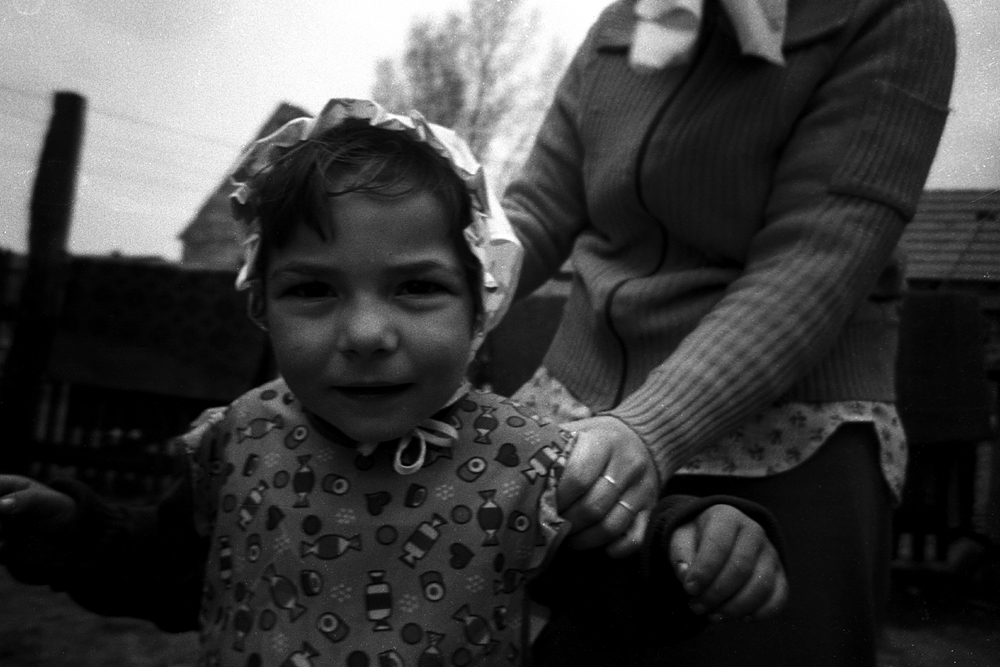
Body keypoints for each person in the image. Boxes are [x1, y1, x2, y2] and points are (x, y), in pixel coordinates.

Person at [0, 99, 787, 667]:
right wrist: (71, 532)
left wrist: (688, 547)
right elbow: (168, 567)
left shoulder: (525, 469)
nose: (368, 333)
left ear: (480, 305)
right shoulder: (238, 441)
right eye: (314, 289)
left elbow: (616, 591)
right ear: (261, 305)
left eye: (415, 288)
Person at [502, 0, 956, 664]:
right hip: (579, 416)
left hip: (786, 437)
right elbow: (539, 209)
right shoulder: (622, 24)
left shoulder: (894, 16)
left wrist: (647, 429)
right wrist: (402, 288)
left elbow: (812, 262)